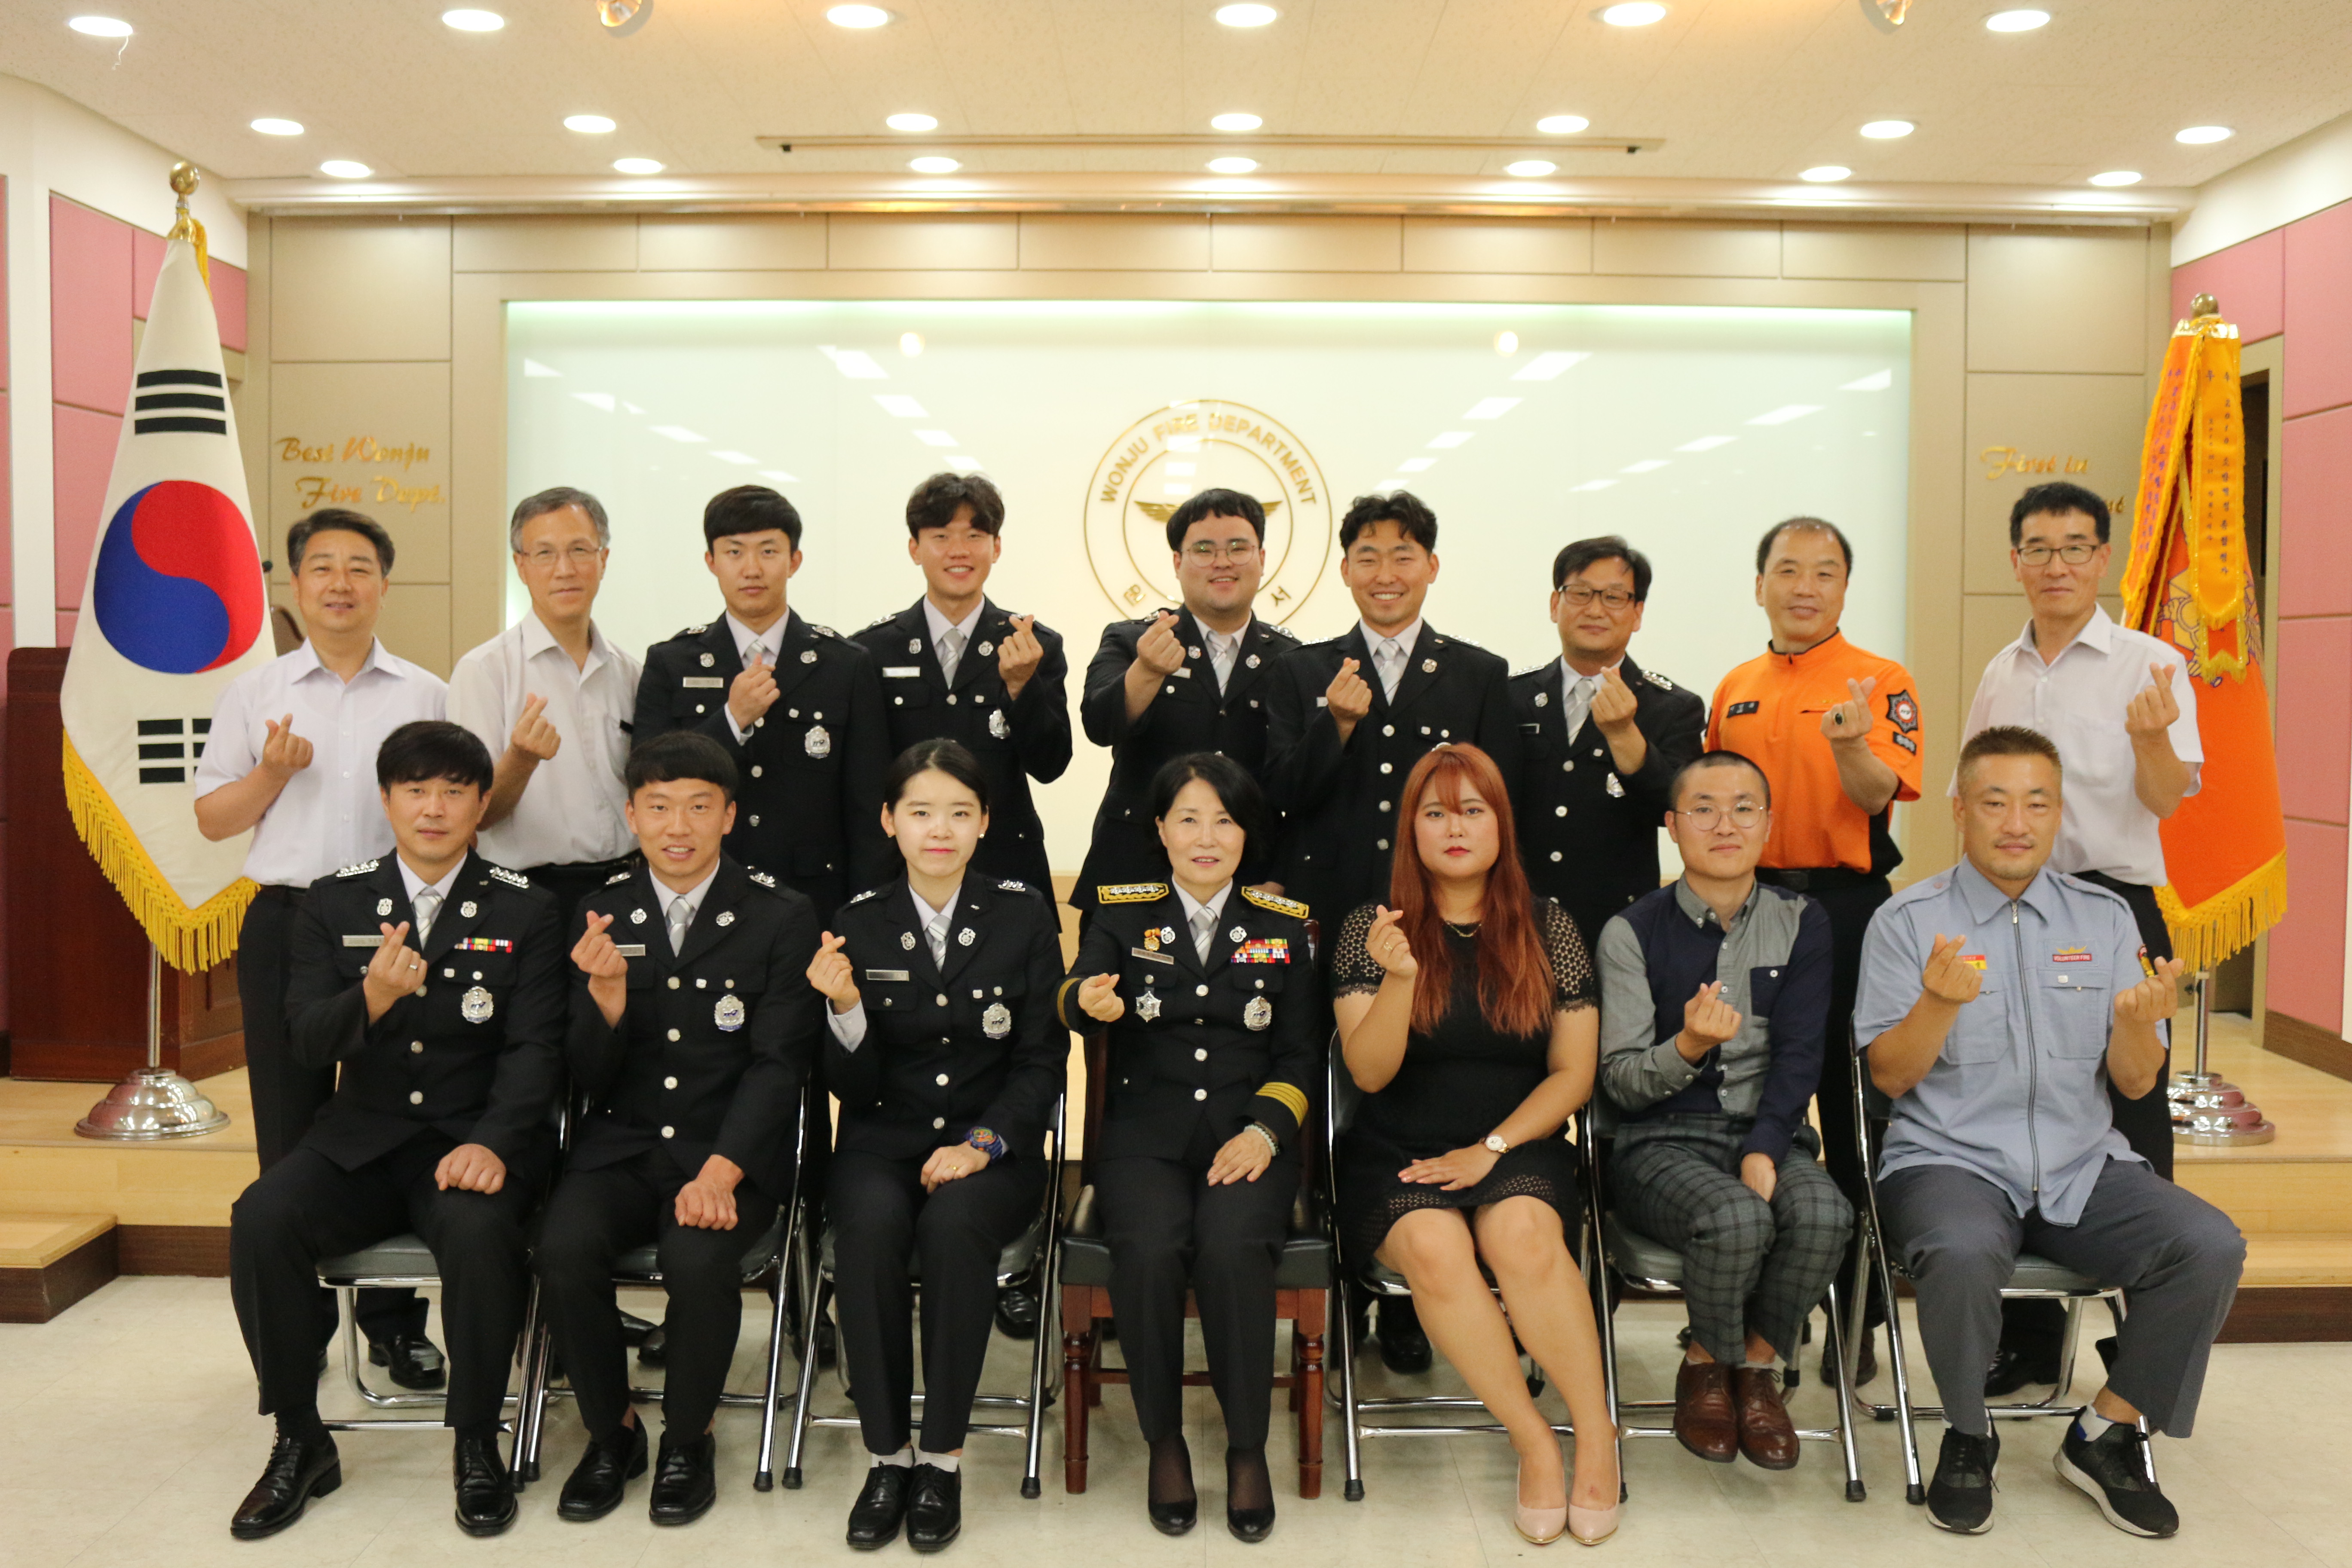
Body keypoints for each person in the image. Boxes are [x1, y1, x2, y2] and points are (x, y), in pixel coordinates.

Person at [1856, 726, 2243, 1538]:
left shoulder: (2105, 918)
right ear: (1960, 810)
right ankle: (1969, 1435)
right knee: (1961, 1249)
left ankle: (2106, 1430)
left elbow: (2134, 1083)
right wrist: (1937, 1004)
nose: (2016, 823)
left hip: (2081, 1163)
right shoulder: (1906, 920)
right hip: (1950, 1160)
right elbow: (1889, 1077)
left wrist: (2137, 1024)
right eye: (1994, 802)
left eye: (2037, 803)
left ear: (2059, 813)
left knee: (2208, 1244)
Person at [226, 722, 563, 1539]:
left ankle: (476, 1439)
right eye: (416, 790)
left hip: (471, 1143)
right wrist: (371, 998)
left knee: (481, 1237)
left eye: (453, 791)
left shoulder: (528, 908)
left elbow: (538, 1050)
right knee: (262, 1216)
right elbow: (303, 1040)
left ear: (482, 804)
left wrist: (495, 1142)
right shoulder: (332, 900)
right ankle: (299, 1438)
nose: (434, 808)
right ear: (386, 800)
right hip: (362, 1142)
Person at [1330, 744, 1617, 1547]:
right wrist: (1397, 978)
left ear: (1501, 824)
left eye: (1472, 810)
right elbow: (1369, 1073)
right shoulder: (1370, 929)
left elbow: (1574, 1072)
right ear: (1410, 830)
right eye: (1435, 812)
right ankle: (1534, 1442)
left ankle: (1597, 1434)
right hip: (1397, 1148)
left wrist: (1492, 1146)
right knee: (1433, 1244)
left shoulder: (1549, 926)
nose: (1454, 828)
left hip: (1516, 1141)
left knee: (1521, 1234)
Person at [536, 732, 820, 1527]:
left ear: (729, 815)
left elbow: (779, 1066)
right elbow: (586, 1074)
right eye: (658, 807)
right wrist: (606, 1005)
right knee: (562, 1248)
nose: (678, 826)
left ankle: (688, 1438)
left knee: (698, 1258)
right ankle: (612, 1432)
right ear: (632, 816)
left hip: (729, 1149)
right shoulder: (600, 913)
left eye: (699, 807)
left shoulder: (781, 915)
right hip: (623, 1145)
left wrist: (723, 1171)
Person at [1958, 481, 2204, 1394]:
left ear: (2103, 557)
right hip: (2013, 904)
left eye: (2074, 547)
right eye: (2038, 548)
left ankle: (2144, 1350)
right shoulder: (2002, 670)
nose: (2055, 565)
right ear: (2015, 561)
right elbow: (1974, 799)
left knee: (2133, 1108)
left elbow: (2169, 798)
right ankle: (2028, 1340)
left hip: (2113, 905)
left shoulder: (2151, 664)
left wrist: (2151, 741)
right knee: (2023, 1102)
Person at [195, 508, 446, 1391]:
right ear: (295, 584)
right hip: (288, 920)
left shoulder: (425, 694)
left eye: (360, 567)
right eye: (324, 567)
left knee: (393, 1115)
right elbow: (212, 817)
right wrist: (270, 773)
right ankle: (297, 1323)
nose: (342, 583)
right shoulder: (256, 692)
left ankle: (394, 1327)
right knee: (290, 1121)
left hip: (396, 922)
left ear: (384, 584)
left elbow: (452, 811)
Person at [810, 739, 1067, 1552]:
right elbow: (851, 1089)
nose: (940, 830)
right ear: (891, 821)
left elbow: (1042, 1059)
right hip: (881, 1141)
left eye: (959, 813)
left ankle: (943, 1460)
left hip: (994, 1146)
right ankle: (887, 1457)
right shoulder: (857, 921)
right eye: (921, 812)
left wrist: (984, 1142)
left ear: (985, 822)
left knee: (955, 1227)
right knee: (869, 1230)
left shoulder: (1024, 914)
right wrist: (845, 1010)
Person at [1059, 753, 1317, 1544]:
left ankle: (1246, 1448)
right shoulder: (1122, 915)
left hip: (1251, 1137)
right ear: (1162, 830)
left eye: (1225, 821)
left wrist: (1265, 1131)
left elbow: (1301, 1055)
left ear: (1246, 834)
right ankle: (1164, 1441)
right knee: (1146, 1248)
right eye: (1189, 819)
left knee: (1234, 1246)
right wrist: (1088, 1001)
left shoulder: (1282, 925)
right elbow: (1077, 994)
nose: (1207, 837)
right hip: (1145, 1139)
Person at [1707, 516, 1922, 1382]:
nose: (1805, 587)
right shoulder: (1735, 686)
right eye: (1788, 570)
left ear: (1844, 587)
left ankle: (1858, 1315)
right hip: (1749, 906)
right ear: (1759, 584)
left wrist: (1848, 743)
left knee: (1854, 1108)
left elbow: (1879, 794)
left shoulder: (1880, 680)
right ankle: (1759, 1309)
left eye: (1824, 572)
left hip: (1843, 908)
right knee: (1751, 1100)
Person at [1594, 751, 1850, 1470]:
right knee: (1739, 1218)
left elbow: (1801, 1055)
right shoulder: (1631, 931)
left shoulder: (1802, 921)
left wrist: (1765, 1146)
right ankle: (1706, 1363)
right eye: (1703, 809)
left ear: (1768, 824)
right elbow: (1620, 1082)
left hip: (1770, 1134)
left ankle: (1757, 1369)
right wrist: (1688, 1046)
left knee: (1826, 1214)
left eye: (1744, 808)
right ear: (1672, 826)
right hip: (1659, 1143)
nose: (1725, 825)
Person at [632, 484, 891, 919]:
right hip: (703, 893)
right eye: (734, 553)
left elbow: (869, 810)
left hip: (816, 899)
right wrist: (732, 719)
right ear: (711, 562)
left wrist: (865, 916)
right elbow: (647, 779)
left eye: (768, 552)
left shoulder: (845, 664)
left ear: (795, 561)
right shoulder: (670, 663)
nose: (751, 569)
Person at [1266, 488, 1518, 922]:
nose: (1386, 576)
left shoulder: (1480, 674)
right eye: (1368, 560)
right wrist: (1336, 724)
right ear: (1346, 570)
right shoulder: (1299, 668)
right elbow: (1282, 794)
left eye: (1403, 558)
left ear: (1431, 567)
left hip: (1438, 902)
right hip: (1327, 901)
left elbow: (1501, 803)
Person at [1073, 487, 1302, 916]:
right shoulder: (1132, 639)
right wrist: (1146, 670)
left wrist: (1283, 871)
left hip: (1252, 878)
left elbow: (1300, 784)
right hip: (1136, 873)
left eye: (1238, 548)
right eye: (1204, 549)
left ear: (1262, 558)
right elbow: (1099, 725)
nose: (1222, 562)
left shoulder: (1291, 658)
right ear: (1178, 562)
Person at [851, 472, 1072, 897]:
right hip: (899, 873)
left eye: (974, 536)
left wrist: (1021, 688)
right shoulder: (872, 651)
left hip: (1005, 869)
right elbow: (863, 780)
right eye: (941, 537)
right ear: (915, 549)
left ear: (997, 547)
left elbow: (1051, 765)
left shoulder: (1033, 645)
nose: (959, 551)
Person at [451, 486, 643, 912]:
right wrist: (521, 759)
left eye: (580, 550)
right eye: (544, 554)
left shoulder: (630, 673)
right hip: (525, 895)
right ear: (521, 566)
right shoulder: (484, 671)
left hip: (628, 887)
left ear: (604, 559)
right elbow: (471, 815)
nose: (565, 569)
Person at [1513, 535, 1707, 952]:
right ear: (1555, 604)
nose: (1596, 609)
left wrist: (1625, 736)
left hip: (1619, 928)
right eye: (1580, 593)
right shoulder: (1512, 697)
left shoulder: (1673, 708)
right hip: (1517, 923)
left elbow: (1679, 813)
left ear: (1637, 614)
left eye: (1614, 597)